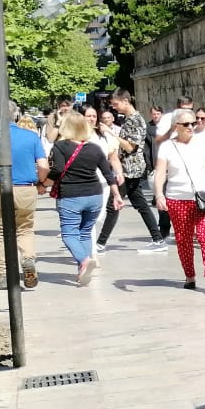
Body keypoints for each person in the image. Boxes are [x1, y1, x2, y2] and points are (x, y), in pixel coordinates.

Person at [153, 109, 205, 292]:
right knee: (183, 239)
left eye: (194, 123)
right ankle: (190, 276)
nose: (191, 127)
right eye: (186, 124)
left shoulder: (203, 143)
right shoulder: (167, 147)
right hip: (178, 198)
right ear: (176, 126)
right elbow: (160, 172)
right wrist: (159, 194)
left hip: (204, 197)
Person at [0, 108, 48, 289]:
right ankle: (28, 259)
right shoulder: (31, 137)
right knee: (25, 228)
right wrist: (42, 183)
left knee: (0, 232)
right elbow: (43, 165)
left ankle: (2, 275)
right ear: (16, 116)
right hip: (25, 189)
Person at [48, 112, 122, 286]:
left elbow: (57, 170)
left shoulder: (60, 146)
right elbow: (107, 173)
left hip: (71, 196)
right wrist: (117, 194)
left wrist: (43, 182)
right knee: (85, 231)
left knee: (68, 233)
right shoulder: (94, 148)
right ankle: (82, 270)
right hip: (95, 196)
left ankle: (84, 260)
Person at [103, 89, 165, 252]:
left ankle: (100, 243)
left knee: (114, 204)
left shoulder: (136, 120)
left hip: (130, 170)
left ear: (125, 101)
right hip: (128, 168)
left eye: (116, 104)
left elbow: (130, 147)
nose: (114, 107)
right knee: (140, 204)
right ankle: (158, 238)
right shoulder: (129, 119)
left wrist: (111, 133)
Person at [84, 105, 125, 254]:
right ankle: (91, 253)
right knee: (90, 217)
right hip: (84, 180)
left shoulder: (102, 136)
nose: (91, 118)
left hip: (103, 181)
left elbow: (112, 157)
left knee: (98, 216)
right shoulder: (76, 135)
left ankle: (88, 248)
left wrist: (119, 172)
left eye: (94, 116)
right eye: (88, 115)